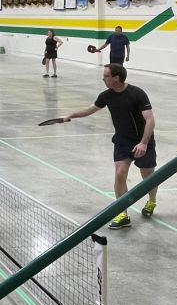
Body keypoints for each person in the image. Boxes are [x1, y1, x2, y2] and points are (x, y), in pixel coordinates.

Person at [62, 64, 158, 229]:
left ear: (117, 78)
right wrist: (71, 115)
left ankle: (152, 201)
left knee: (148, 177)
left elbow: (150, 120)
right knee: (120, 174)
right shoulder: (106, 96)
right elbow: (90, 110)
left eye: (106, 76)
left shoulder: (137, 94)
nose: (103, 78)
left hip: (143, 141)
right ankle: (122, 213)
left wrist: (143, 142)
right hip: (122, 140)